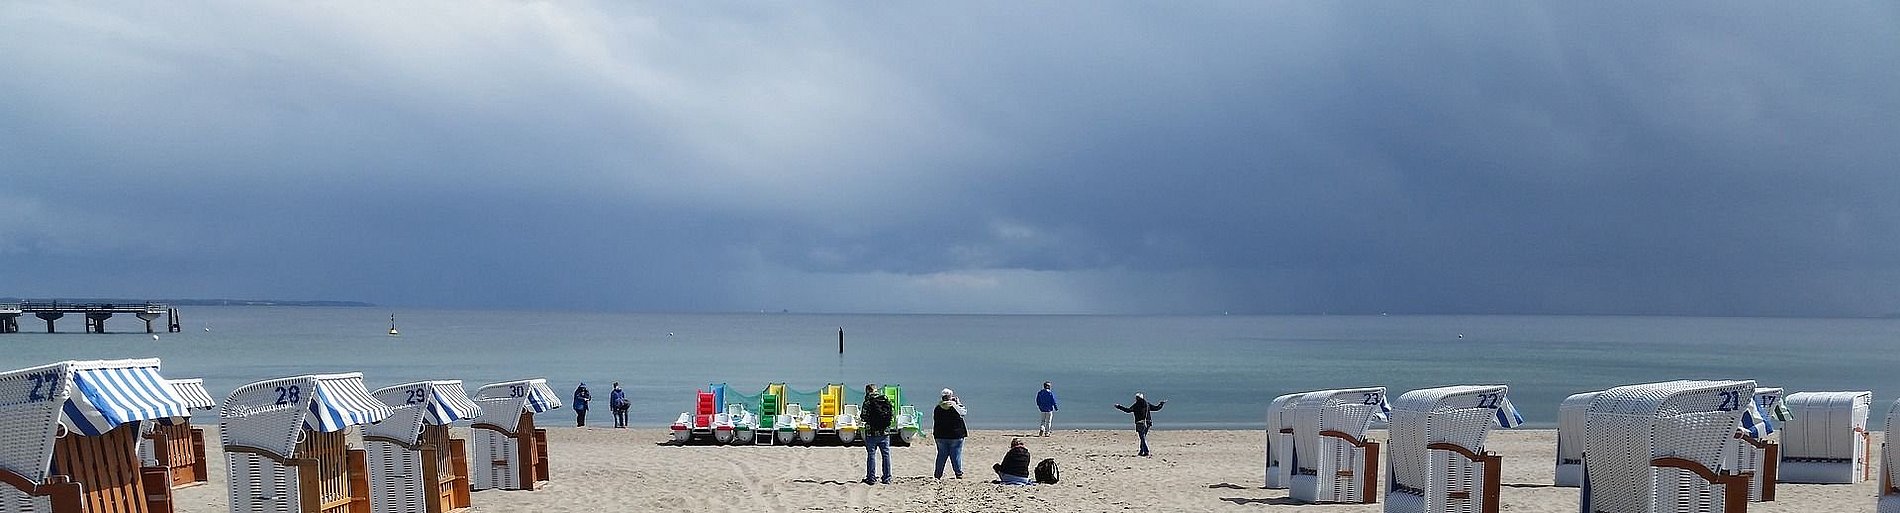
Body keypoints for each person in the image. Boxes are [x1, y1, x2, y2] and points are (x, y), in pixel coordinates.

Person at [859, 384, 895, 485]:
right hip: (885, 432)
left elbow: (863, 417)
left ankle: (871, 478)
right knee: (886, 454)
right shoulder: (884, 399)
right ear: (876, 390)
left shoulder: (867, 401)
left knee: (871, 454)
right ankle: (887, 477)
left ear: (867, 391)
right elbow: (892, 414)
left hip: (871, 432)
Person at [1114, 392, 1165, 456]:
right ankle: (1141, 451)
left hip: (1140, 423)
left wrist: (1119, 406)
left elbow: (1128, 410)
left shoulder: (1136, 405)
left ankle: (1146, 451)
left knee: (1142, 437)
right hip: (1148, 423)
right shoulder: (1147, 404)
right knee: (1143, 437)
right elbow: (1156, 408)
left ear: (1137, 398)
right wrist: (1161, 404)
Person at [933, 388, 967, 479]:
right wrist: (958, 403)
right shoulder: (954, 407)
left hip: (940, 435)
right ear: (950, 396)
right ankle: (958, 473)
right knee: (956, 455)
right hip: (956, 435)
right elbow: (963, 412)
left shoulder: (938, 407)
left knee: (941, 455)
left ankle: (938, 474)